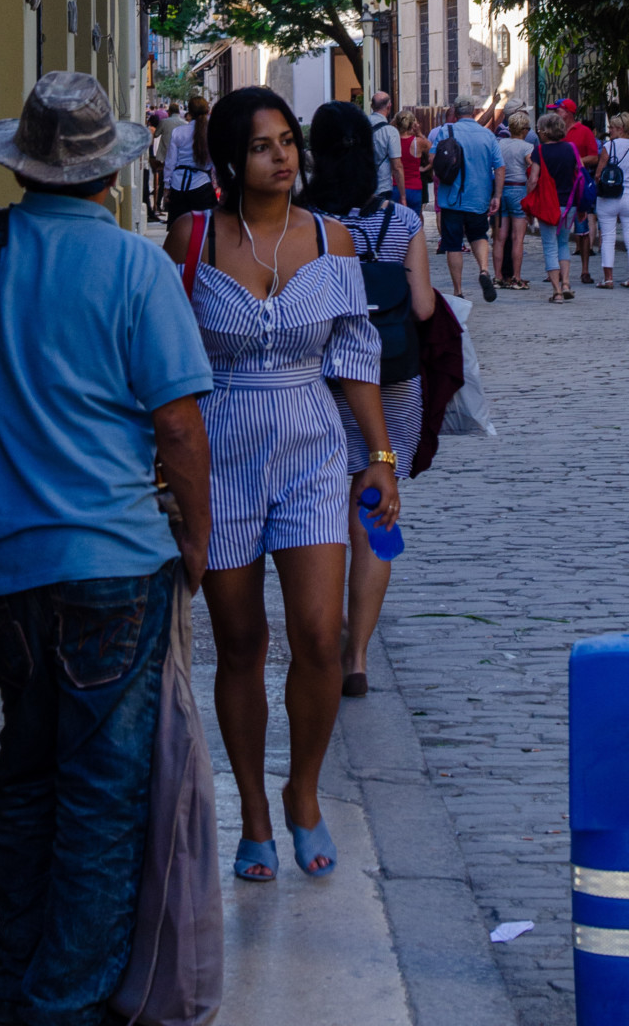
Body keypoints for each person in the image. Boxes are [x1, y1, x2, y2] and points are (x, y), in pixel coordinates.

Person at [0, 73, 213, 1026]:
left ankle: (15, 985)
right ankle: (61, 1004)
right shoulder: (138, 270)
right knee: (102, 795)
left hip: (1, 569)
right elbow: (178, 429)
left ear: (22, 166)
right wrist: (199, 540)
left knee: (26, 773)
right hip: (113, 568)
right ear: (110, 176)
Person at [164, 88, 397, 885]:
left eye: (289, 141)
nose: (283, 156)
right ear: (231, 160)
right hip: (219, 449)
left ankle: (304, 789)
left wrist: (380, 457)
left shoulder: (332, 239)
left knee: (319, 634)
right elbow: (164, 360)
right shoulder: (192, 239)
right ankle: (255, 813)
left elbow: (355, 356)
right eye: (263, 145)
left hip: (309, 444)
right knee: (239, 644)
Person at [300, 100, 435, 697]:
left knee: (324, 505)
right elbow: (426, 307)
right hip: (394, 380)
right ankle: (356, 657)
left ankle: (325, 635)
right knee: (375, 509)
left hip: (323, 379)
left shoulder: (306, 224)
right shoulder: (400, 223)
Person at [429, 95, 505, 301]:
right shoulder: (487, 135)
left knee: (452, 243)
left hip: (451, 197)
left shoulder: (446, 131)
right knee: (479, 236)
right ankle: (483, 270)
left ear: (455, 111)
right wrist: (497, 195)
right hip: (478, 197)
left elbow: (432, 159)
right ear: (472, 112)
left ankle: (458, 291)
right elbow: (499, 167)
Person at [530, 109, 582, 303]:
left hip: (548, 205)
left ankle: (557, 292)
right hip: (569, 204)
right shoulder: (571, 149)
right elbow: (578, 175)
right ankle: (567, 283)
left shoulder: (540, 151)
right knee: (563, 244)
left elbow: (534, 179)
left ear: (545, 131)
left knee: (550, 246)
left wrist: (529, 199)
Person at [595, 114, 629, 288]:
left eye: (613, 128)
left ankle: (608, 279)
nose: (609, 131)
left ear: (621, 129)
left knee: (608, 238)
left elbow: (598, 174)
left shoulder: (609, 147)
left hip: (609, 197)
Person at [560, 99, 601, 284]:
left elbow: (594, 156)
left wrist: (576, 160)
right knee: (558, 228)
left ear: (568, 112)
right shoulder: (556, 131)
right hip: (560, 186)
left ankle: (585, 270)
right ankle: (557, 269)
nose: (555, 114)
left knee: (582, 228)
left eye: (558, 110)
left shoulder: (583, 132)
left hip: (579, 185)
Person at [494, 111, 534, 290]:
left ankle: (497, 277)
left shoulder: (500, 143)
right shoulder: (527, 147)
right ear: (524, 129)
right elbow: (532, 168)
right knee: (517, 238)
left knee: (500, 238)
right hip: (519, 189)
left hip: (501, 190)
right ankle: (516, 278)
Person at [164, 93, 218, 219]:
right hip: (202, 184)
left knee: (178, 228)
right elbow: (216, 161)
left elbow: (170, 162)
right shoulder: (211, 132)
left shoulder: (178, 132)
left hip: (178, 185)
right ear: (207, 110)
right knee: (204, 228)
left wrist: (167, 186)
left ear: (189, 112)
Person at [369, 91, 404, 204]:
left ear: (372, 106)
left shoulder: (360, 125)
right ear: (389, 106)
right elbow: (397, 166)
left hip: (361, 188)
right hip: (382, 188)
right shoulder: (390, 131)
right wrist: (403, 196)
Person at [397, 107, 430, 212]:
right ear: (412, 125)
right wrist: (419, 133)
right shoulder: (418, 142)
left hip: (396, 186)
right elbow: (433, 151)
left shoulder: (393, 140)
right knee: (415, 220)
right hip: (414, 187)